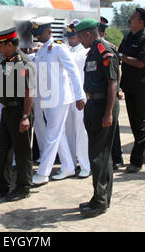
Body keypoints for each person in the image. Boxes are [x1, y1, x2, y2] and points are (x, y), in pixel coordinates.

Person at [0, 27, 35, 201]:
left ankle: (23, 187)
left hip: (20, 110)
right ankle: (2, 185)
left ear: (8, 44)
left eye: (0, 46)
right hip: (7, 110)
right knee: (5, 150)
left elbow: (29, 91)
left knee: (22, 152)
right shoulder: (8, 60)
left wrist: (26, 116)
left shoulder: (22, 61)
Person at [31, 16, 85, 185]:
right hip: (47, 99)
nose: (37, 36)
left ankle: (43, 173)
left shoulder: (59, 49)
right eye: (36, 33)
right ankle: (68, 166)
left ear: (49, 31)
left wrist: (79, 95)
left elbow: (73, 72)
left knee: (51, 136)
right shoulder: (40, 50)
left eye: (40, 33)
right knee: (57, 134)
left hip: (60, 99)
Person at [76, 18, 120, 218]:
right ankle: (100, 198)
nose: (77, 39)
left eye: (78, 35)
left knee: (98, 157)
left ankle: (100, 201)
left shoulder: (104, 50)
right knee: (101, 156)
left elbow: (113, 82)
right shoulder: (93, 51)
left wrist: (108, 112)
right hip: (94, 104)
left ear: (87, 34)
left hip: (103, 105)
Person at [118, 8, 145, 173]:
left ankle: (136, 161)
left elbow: (141, 63)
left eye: (133, 17)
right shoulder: (128, 37)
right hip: (130, 87)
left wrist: (122, 57)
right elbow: (119, 54)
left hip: (144, 88)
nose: (130, 18)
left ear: (141, 23)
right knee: (135, 123)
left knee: (142, 124)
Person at [63, 20, 90, 178]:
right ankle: (71, 163)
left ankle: (85, 165)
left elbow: (70, 62)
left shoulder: (83, 52)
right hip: (68, 96)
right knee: (69, 131)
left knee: (82, 132)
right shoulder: (68, 50)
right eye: (69, 37)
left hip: (80, 96)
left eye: (73, 37)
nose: (70, 39)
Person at [99, 17, 124, 170]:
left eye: (102, 32)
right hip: (94, 93)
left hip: (109, 92)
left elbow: (117, 72)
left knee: (112, 126)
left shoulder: (109, 48)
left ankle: (116, 158)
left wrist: (119, 89)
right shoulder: (91, 48)